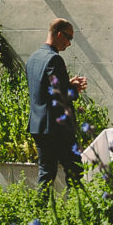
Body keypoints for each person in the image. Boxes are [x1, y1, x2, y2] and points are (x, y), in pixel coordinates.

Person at [27, 18, 88, 188]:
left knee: (46, 174)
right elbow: (60, 97)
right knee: (75, 171)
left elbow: (44, 89)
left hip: (38, 126)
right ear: (59, 34)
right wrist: (75, 90)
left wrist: (67, 83)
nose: (69, 44)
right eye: (69, 38)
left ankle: (38, 212)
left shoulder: (33, 58)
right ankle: (79, 211)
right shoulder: (54, 59)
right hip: (57, 127)